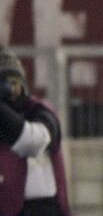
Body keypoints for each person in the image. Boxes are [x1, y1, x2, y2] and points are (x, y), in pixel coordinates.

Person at [0, 46, 71, 215]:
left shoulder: (41, 111)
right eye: (7, 83)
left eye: (15, 82)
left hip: (44, 208)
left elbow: (33, 142)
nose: (14, 90)